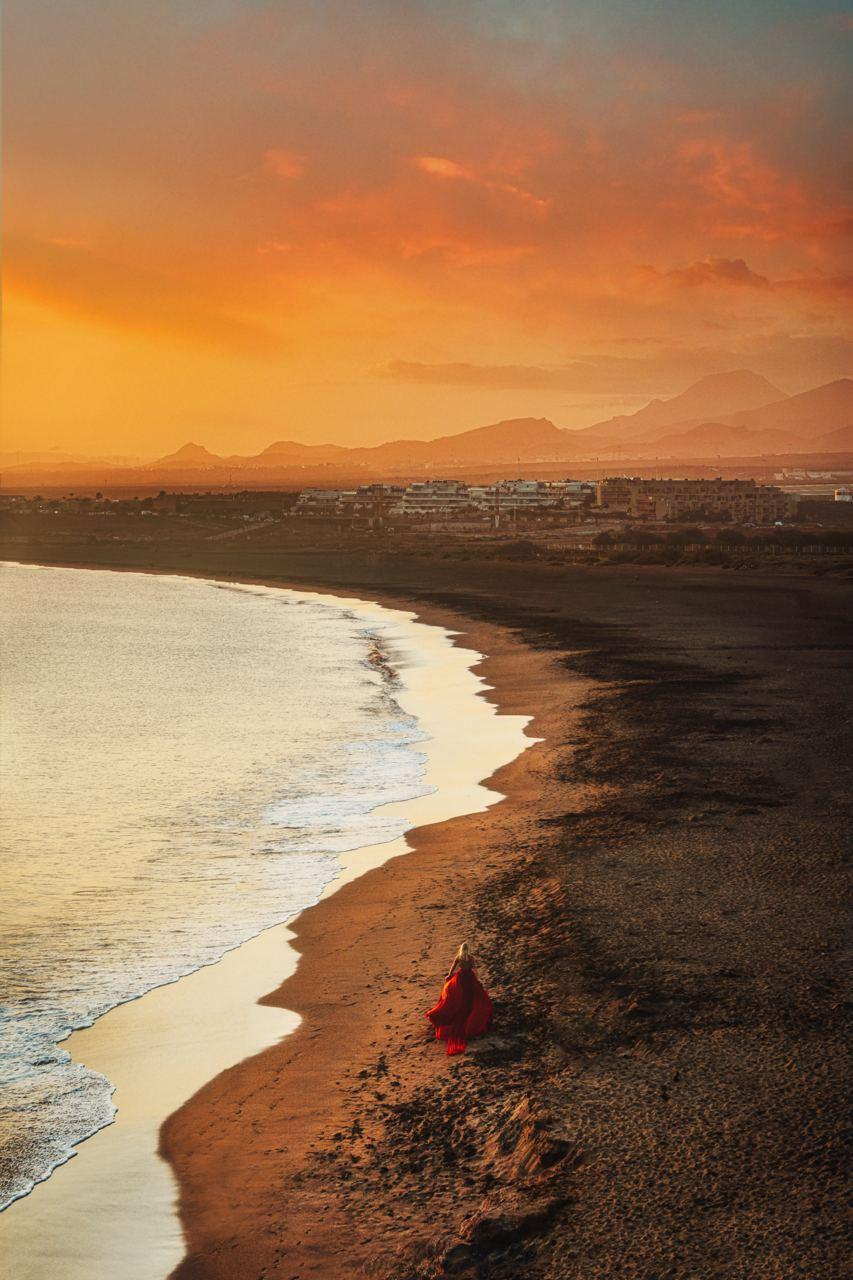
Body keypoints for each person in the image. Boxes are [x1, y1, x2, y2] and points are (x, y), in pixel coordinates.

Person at [425, 942, 493, 1056]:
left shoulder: (459, 957)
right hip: (469, 978)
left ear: (461, 949)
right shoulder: (471, 958)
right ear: (468, 949)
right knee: (472, 997)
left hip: (461, 978)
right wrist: (478, 979)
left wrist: (449, 975)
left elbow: (452, 968)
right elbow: (475, 970)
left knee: (459, 996)